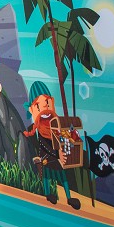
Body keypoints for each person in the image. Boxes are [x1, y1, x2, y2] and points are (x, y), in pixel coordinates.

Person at [22, 81, 80, 210]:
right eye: (38, 106)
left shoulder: (58, 127)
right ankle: (48, 194)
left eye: (48, 103)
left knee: (62, 176)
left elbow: (68, 140)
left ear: (52, 103)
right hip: (46, 158)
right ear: (31, 109)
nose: (45, 110)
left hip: (57, 157)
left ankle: (69, 197)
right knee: (47, 176)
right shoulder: (32, 130)